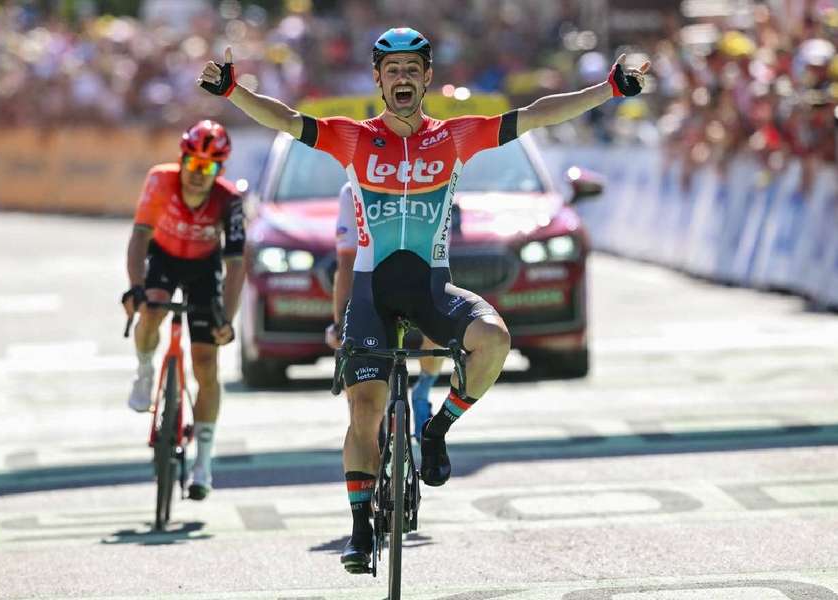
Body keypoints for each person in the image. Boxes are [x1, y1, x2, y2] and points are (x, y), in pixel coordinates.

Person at [197, 27, 648, 572]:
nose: (403, 78)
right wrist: (233, 92)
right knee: (364, 412)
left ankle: (435, 430)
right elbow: (285, 120)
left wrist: (609, 90)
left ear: (428, 77)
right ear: (378, 81)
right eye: (393, 71)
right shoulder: (353, 138)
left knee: (496, 341)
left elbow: (539, 114)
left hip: (432, 289)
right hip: (371, 294)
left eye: (413, 69)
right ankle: (361, 529)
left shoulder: (455, 137)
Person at [121, 119, 246, 501]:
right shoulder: (160, 181)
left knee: (206, 363)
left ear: (219, 170)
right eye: (192, 164)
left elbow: (237, 263)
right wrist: (135, 287)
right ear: (183, 160)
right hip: (164, 259)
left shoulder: (230, 200)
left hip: (204, 270)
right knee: (152, 311)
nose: (197, 174)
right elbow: (140, 236)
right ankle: (145, 371)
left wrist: (227, 316)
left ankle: (203, 463)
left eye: (208, 168)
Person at [326, 181, 442, 441]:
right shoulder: (351, 191)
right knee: (359, 381)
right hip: (373, 292)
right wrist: (339, 322)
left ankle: (423, 392)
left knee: (439, 328)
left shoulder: (429, 179)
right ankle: (369, 435)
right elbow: (346, 262)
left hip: (417, 284)